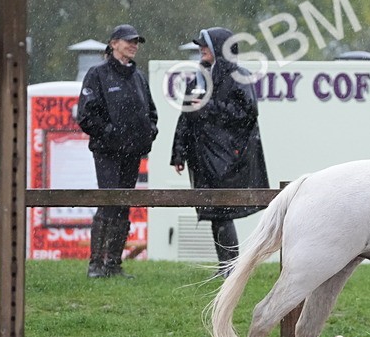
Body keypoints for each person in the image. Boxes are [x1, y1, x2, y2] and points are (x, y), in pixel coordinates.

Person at [170, 27, 269, 276]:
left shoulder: (239, 76)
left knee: (221, 210)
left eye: (206, 45)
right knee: (214, 211)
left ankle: (230, 265)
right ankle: (227, 265)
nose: (201, 49)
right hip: (201, 157)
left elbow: (247, 114)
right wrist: (178, 153)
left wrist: (209, 105)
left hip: (227, 157)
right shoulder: (198, 77)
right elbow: (186, 116)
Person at [77, 23, 158, 278]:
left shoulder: (138, 77)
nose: (134, 45)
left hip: (132, 153)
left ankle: (113, 264)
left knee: (124, 205)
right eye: (129, 41)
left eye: (136, 42)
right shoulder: (97, 74)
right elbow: (86, 116)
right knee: (108, 201)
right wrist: (111, 134)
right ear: (113, 44)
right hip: (107, 152)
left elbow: (151, 112)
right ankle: (96, 264)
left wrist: (149, 133)